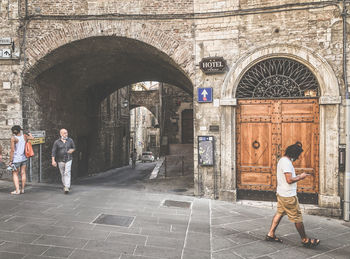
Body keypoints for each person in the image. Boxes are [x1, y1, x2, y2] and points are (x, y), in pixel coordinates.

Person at [265, 142, 320, 248]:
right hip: (288, 196)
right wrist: (301, 176)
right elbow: (289, 180)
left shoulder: (282, 160)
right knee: (297, 218)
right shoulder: (287, 163)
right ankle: (305, 240)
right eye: (298, 155)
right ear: (294, 154)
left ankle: (270, 234)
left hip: (282, 193)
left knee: (280, 213)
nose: (298, 158)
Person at [8, 125, 33, 195]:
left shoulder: (14, 138)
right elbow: (32, 138)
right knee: (23, 173)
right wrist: (29, 133)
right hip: (24, 158)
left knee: (15, 174)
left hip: (16, 159)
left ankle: (17, 190)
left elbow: (12, 150)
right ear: (20, 130)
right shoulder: (24, 136)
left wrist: (10, 160)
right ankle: (22, 189)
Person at [51, 129, 75, 194]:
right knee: (62, 173)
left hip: (68, 159)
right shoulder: (57, 142)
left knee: (67, 172)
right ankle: (65, 185)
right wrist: (53, 161)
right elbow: (53, 152)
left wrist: (72, 150)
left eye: (67, 133)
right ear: (61, 134)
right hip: (60, 160)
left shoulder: (70, 140)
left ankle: (67, 187)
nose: (66, 134)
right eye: (64, 133)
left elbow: (73, 147)